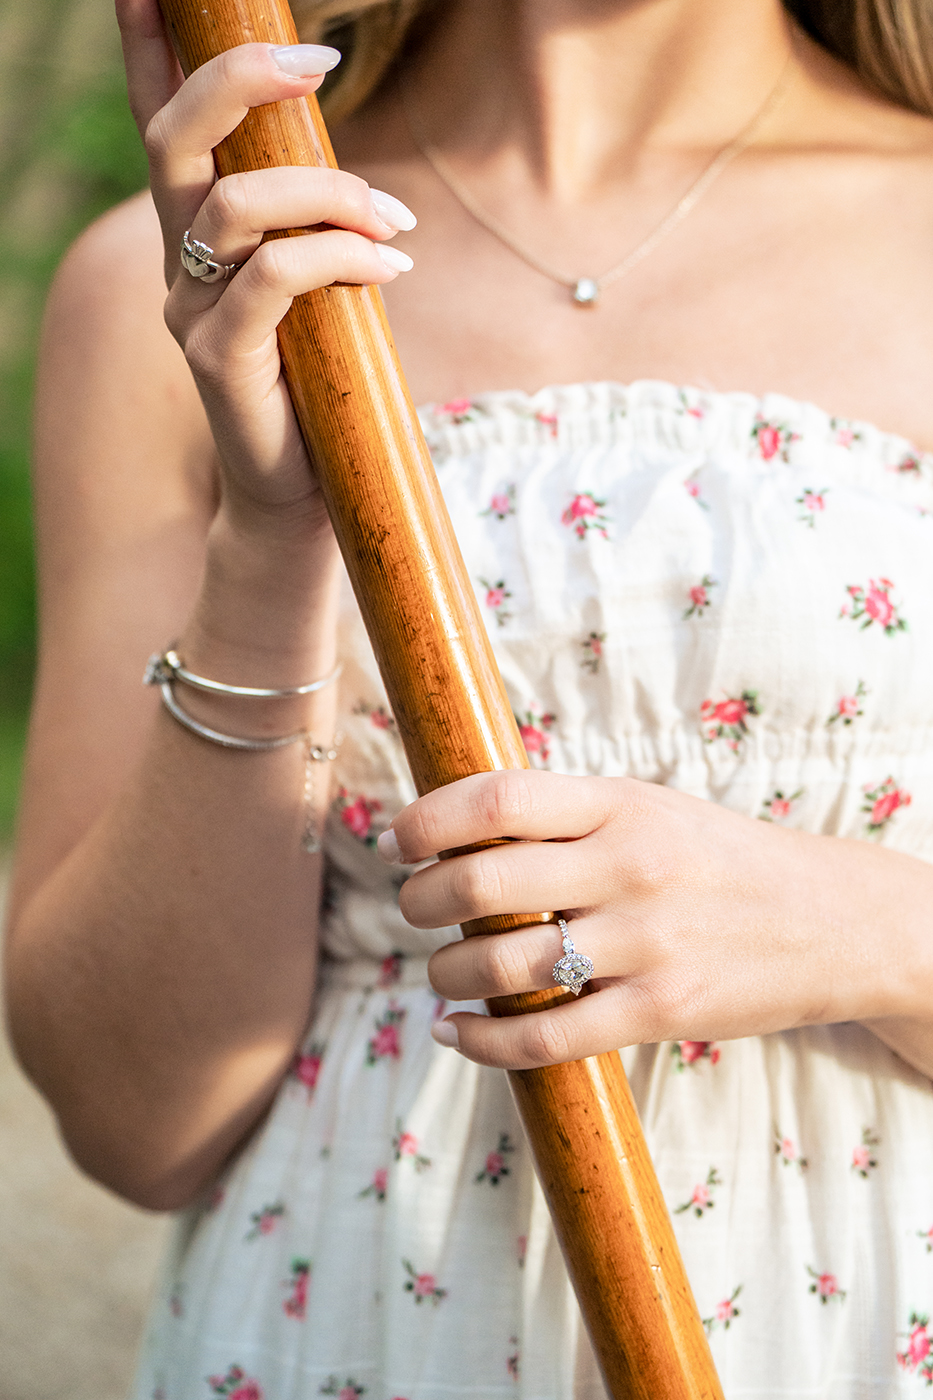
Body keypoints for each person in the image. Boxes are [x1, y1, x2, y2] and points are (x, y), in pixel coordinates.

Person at [6, 0, 933, 1393]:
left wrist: (859, 926)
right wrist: (272, 543)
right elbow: (139, 1124)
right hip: (352, 1326)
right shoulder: (193, 277)